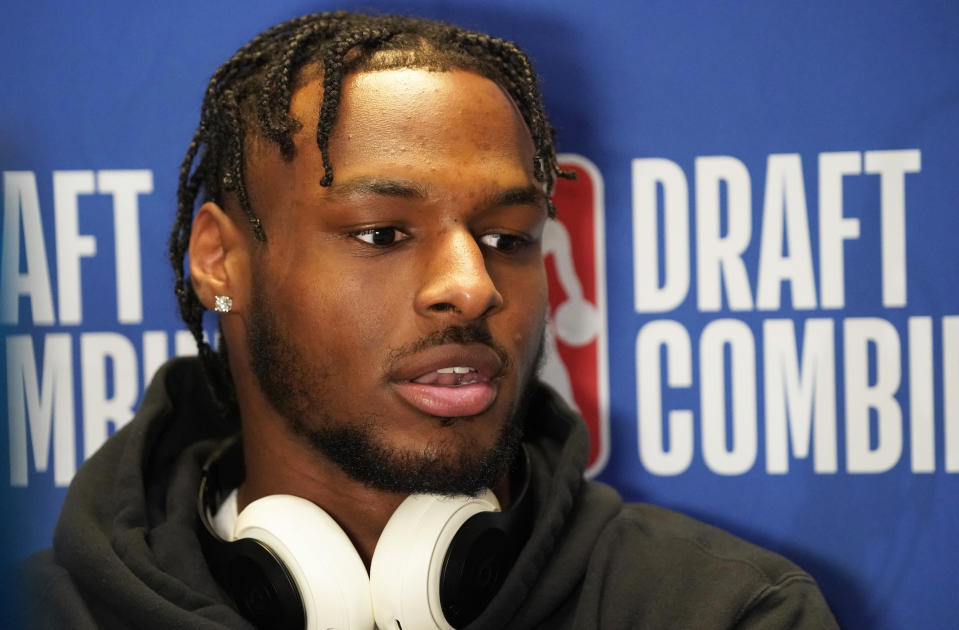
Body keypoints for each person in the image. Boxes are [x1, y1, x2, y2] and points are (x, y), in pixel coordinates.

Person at [21, 11, 839, 629]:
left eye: (506, 238)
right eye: (381, 233)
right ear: (218, 261)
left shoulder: (725, 611)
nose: (471, 286)